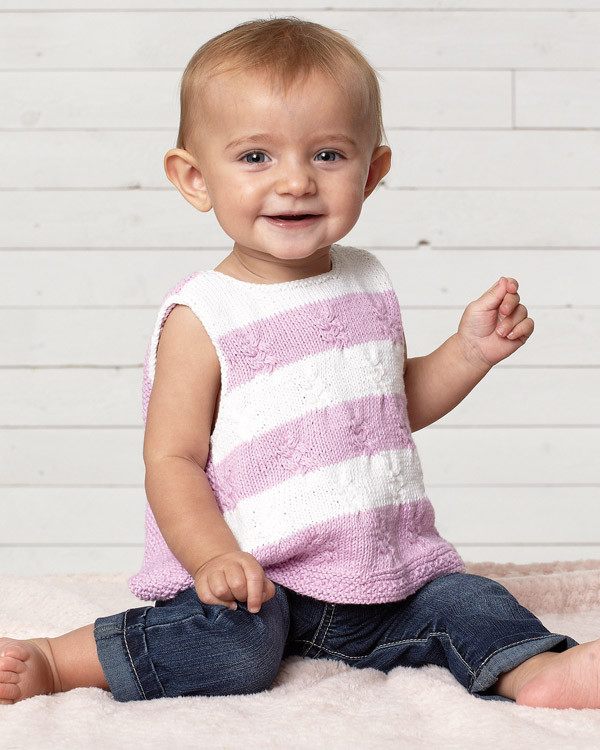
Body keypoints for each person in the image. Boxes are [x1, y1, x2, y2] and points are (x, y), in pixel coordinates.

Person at [1, 17, 598, 710]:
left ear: (372, 172)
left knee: (466, 599)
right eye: (256, 156)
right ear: (195, 178)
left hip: (380, 579)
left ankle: (536, 670)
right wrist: (213, 558)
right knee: (233, 645)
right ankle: (60, 660)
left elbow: (386, 408)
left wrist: (467, 354)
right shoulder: (205, 315)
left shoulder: (366, 282)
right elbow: (172, 458)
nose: (294, 181)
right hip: (257, 585)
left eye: (328, 155)